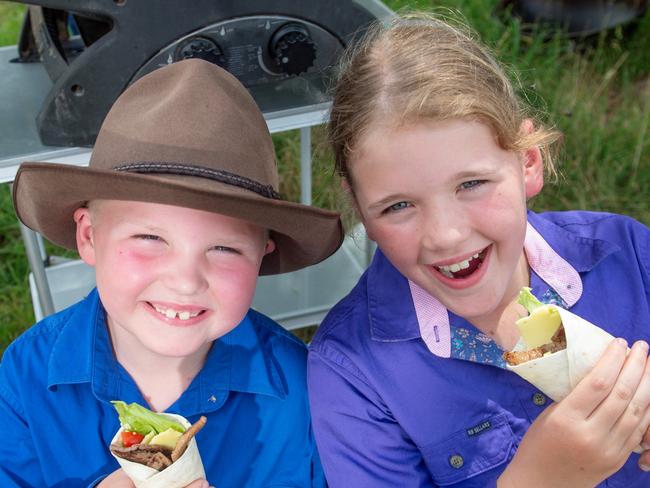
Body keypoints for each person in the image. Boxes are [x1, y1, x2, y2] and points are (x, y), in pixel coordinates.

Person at [307, 12, 650, 487]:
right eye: (399, 205)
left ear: (528, 163)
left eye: (471, 184)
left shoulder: (630, 259)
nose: (445, 235)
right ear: (360, 209)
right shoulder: (352, 375)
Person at [0, 59, 342, 487]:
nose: (184, 281)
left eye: (224, 248)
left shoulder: (303, 392)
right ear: (88, 236)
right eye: (150, 238)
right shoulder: (27, 378)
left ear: (262, 254)